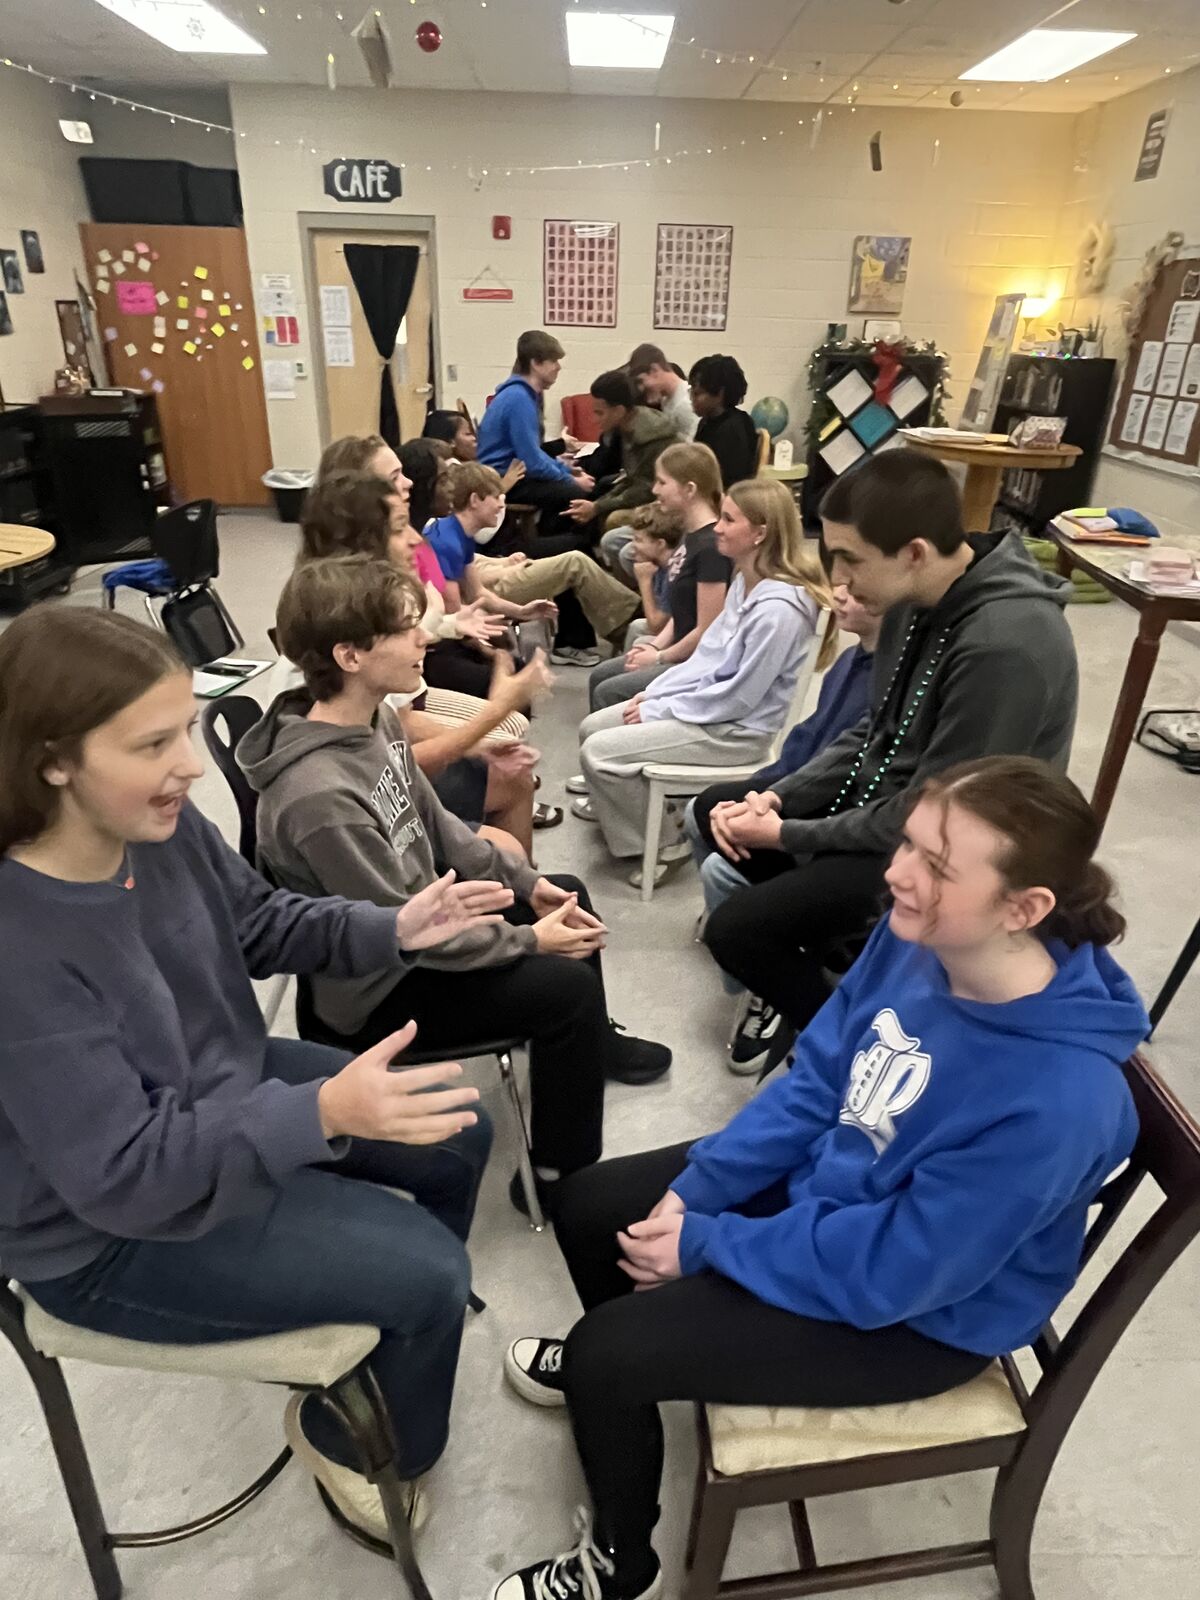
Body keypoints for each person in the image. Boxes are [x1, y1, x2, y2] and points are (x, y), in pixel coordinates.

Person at [493, 755, 1148, 1600]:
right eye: (908, 844)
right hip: (844, 1197)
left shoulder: (1059, 1104)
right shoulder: (924, 939)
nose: (898, 874)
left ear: (1025, 909)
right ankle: (637, 1373)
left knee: (608, 1354)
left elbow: (897, 1270)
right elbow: (818, 1078)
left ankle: (621, 1560)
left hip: (922, 1318)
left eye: (936, 866)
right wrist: (700, 1193)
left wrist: (711, 1244)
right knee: (590, 1207)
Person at [0, 605, 513, 1554]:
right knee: (432, 1271)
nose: (192, 764)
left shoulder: (156, 828)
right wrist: (316, 1113)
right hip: (105, 1237)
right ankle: (351, 1436)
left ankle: (378, 1326)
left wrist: (394, 926)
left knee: (460, 1133)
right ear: (52, 760)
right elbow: (122, 1173)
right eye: (154, 742)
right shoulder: (20, 950)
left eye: (187, 729)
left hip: (211, 1094)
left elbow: (262, 922)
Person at [240, 556, 674, 1212]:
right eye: (406, 629)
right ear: (350, 654)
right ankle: (560, 1180)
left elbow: (437, 826)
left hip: (428, 926)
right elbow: (400, 933)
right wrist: (527, 945)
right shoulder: (316, 796)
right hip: (378, 988)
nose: (425, 638)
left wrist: (527, 885)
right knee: (564, 991)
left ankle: (589, 1050)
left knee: (565, 894)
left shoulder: (371, 718)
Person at [702, 451, 1079, 1077]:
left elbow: (946, 811)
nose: (838, 579)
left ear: (914, 552)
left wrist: (790, 833)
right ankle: (844, 970)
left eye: (850, 558)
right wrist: (781, 797)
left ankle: (853, 1054)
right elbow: (873, 733)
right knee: (718, 808)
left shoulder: (1005, 644)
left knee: (738, 930)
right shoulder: (914, 596)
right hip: (904, 812)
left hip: (963, 855)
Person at [575, 479, 834, 879]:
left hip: (734, 732)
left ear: (760, 533)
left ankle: (663, 845)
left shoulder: (778, 611)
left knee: (599, 753)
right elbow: (706, 660)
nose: (717, 526)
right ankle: (649, 821)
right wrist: (652, 693)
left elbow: (739, 699)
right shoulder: (747, 584)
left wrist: (660, 708)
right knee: (593, 726)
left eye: (729, 519)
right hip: (709, 713)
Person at [299, 464, 559, 847]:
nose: (416, 541)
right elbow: (387, 769)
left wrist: (481, 739)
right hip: (378, 798)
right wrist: (494, 712)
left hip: (385, 770)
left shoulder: (357, 601)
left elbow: (393, 732)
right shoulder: (348, 618)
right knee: (507, 830)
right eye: (400, 526)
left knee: (508, 760)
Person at [686, 582, 880, 1018]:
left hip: (835, 814)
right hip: (801, 788)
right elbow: (813, 743)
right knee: (708, 811)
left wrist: (778, 815)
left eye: (856, 581)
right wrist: (766, 793)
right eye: (839, 579)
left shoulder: (892, 678)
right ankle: (750, 962)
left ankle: (765, 979)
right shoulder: (850, 661)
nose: (840, 592)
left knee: (720, 849)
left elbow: (850, 775)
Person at [425, 463, 641, 664]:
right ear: (474, 500)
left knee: (574, 555)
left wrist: (522, 611)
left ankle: (631, 625)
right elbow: (453, 611)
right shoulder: (448, 541)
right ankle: (633, 624)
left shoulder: (457, 533)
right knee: (574, 561)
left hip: (469, 601)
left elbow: (478, 592)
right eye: (495, 496)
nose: (502, 504)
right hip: (444, 633)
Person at [583, 443, 729, 721]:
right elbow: (681, 613)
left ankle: (617, 755)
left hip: (694, 664)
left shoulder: (711, 548)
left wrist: (661, 657)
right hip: (677, 653)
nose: (655, 490)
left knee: (608, 691)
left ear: (689, 489)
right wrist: (655, 645)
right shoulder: (691, 535)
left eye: (662, 482)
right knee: (601, 675)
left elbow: (707, 630)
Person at [476, 330, 595, 527]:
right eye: (553, 361)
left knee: (572, 482)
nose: (558, 367)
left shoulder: (521, 395)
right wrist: (570, 479)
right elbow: (531, 461)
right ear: (536, 363)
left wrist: (564, 470)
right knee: (575, 494)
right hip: (505, 479)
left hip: (510, 473)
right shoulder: (519, 398)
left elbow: (534, 454)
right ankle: (551, 549)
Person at [565, 371, 677, 535]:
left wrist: (597, 507)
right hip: (655, 497)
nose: (595, 420)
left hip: (671, 506)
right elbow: (631, 479)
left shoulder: (648, 437)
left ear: (618, 411)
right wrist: (597, 504)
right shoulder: (627, 428)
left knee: (614, 519)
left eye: (599, 413)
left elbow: (644, 490)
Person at [689, 354, 760, 490]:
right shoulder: (707, 422)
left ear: (720, 394)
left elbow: (728, 481)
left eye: (697, 393)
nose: (692, 399)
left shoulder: (733, 429)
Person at [423, 408, 528, 496]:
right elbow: (477, 503)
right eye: (468, 434)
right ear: (451, 442)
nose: (475, 438)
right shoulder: (453, 470)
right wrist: (507, 481)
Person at [627, 343, 699, 441]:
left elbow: (696, 449)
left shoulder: (684, 404)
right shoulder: (667, 400)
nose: (641, 388)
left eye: (641, 381)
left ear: (654, 369)